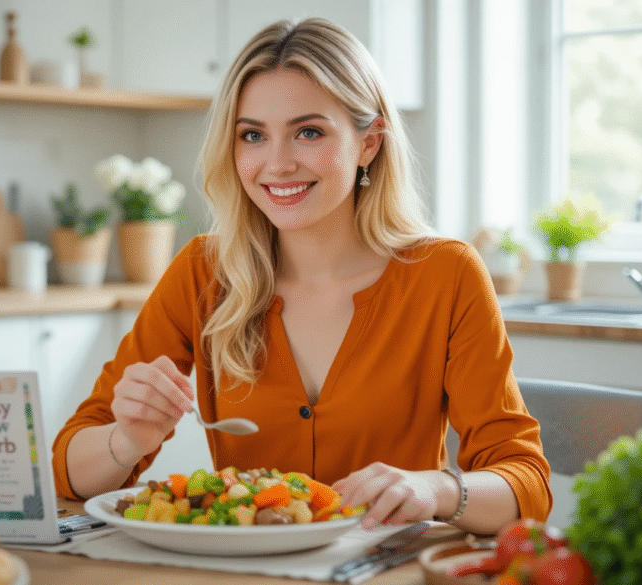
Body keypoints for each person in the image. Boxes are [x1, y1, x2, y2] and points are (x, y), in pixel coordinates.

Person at [52, 17, 551, 535]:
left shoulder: (445, 275)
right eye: (252, 136)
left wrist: (436, 488)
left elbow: (526, 486)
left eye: (308, 132)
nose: (277, 163)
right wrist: (127, 440)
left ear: (370, 143)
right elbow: (68, 471)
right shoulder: (203, 272)